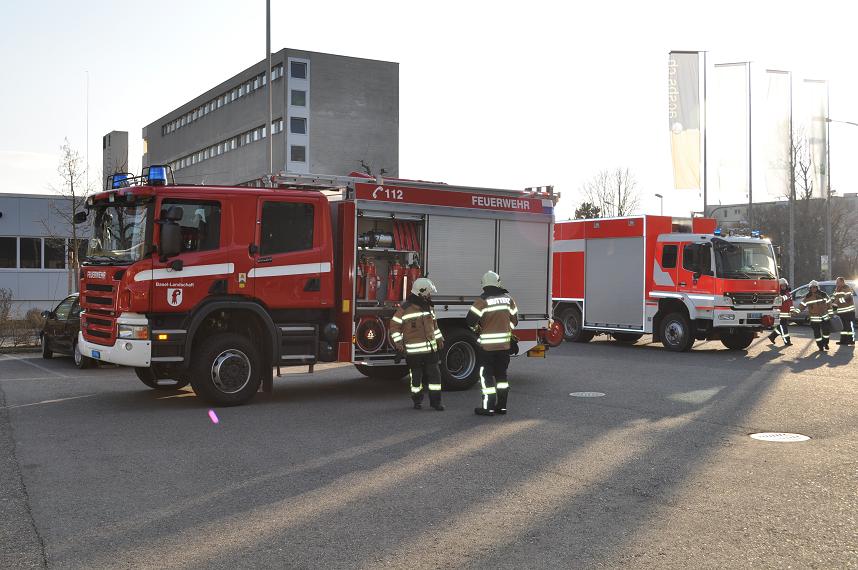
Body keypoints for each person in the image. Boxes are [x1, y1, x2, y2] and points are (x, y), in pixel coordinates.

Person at [466, 271, 518, 416]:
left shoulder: (482, 301)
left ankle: (488, 407)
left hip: (487, 348)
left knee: (486, 376)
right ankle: (501, 407)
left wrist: (478, 329)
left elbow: (469, 321)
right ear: (498, 283)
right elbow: (515, 321)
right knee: (502, 377)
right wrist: (507, 331)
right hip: (504, 347)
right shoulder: (508, 300)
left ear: (484, 284)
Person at [389, 277, 445, 411]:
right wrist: (398, 343)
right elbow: (394, 325)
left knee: (435, 376)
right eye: (428, 293)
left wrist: (439, 338)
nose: (430, 295)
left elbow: (434, 325)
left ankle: (436, 402)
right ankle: (417, 401)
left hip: (430, 349)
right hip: (414, 352)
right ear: (421, 292)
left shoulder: (429, 306)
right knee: (416, 377)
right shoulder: (405, 308)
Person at [795, 280, 832, 351]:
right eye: (811, 288)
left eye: (814, 287)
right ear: (809, 288)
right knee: (817, 334)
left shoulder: (823, 295)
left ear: (817, 287)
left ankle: (825, 343)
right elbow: (801, 306)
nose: (813, 289)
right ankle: (820, 346)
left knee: (826, 332)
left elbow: (829, 303)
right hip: (814, 319)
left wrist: (830, 313)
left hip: (824, 317)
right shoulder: (807, 297)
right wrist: (796, 312)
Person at [768, 278, 793, 346]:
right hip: (780, 314)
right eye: (782, 286)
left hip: (786, 314)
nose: (783, 287)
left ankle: (772, 336)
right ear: (779, 287)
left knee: (780, 327)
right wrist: (787, 296)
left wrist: (792, 310)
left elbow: (791, 303)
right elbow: (780, 300)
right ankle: (787, 341)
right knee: (783, 327)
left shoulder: (788, 294)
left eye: (785, 286)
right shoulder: (777, 294)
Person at [832, 276, 855, 345]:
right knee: (842, 327)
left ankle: (851, 340)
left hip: (848, 311)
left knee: (847, 326)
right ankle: (843, 341)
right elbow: (833, 297)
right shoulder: (837, 289)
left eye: (838, 282)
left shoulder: (847, 288)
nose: (836, 283)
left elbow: (847, 299)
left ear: (842, 282)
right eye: (836, 282)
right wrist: (830, 301)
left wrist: (837, 301)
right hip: (841, 312)